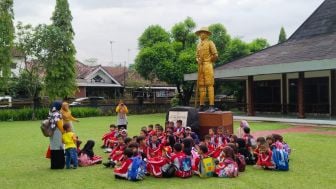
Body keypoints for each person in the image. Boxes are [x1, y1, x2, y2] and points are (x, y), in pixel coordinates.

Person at [195, 26, 218, 112]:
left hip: (208, 65)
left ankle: (211, 105)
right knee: (201, 85)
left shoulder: (210, 43)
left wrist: (209, 61)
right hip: (200, 66)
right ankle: (201, 105)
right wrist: (198, 60)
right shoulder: (198, 45)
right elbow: (196, 56)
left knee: (209, 85)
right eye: (200, 33)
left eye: (203, 33)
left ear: (207, 34)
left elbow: (215, 55)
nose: (201, 35)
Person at [49, 101, 65, 169]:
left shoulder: (52, 113)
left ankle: (54, 165)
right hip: (57, 132)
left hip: (52, 132)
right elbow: (59, 124)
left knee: (53, 148)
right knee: (59, 147)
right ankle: (59, 165)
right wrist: (64, 132)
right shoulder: (57, 114)